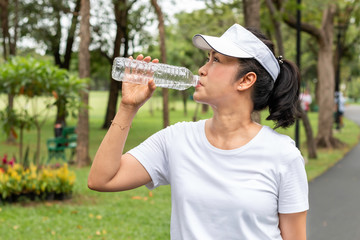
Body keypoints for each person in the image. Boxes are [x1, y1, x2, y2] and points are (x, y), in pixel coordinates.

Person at [88, 23, 309, 240]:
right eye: (208, 58)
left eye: (216, 60)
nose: (202, 69)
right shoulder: (176, 139)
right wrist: (128, 108)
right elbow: (102, 179)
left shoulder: (282, 155)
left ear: (246, 80)